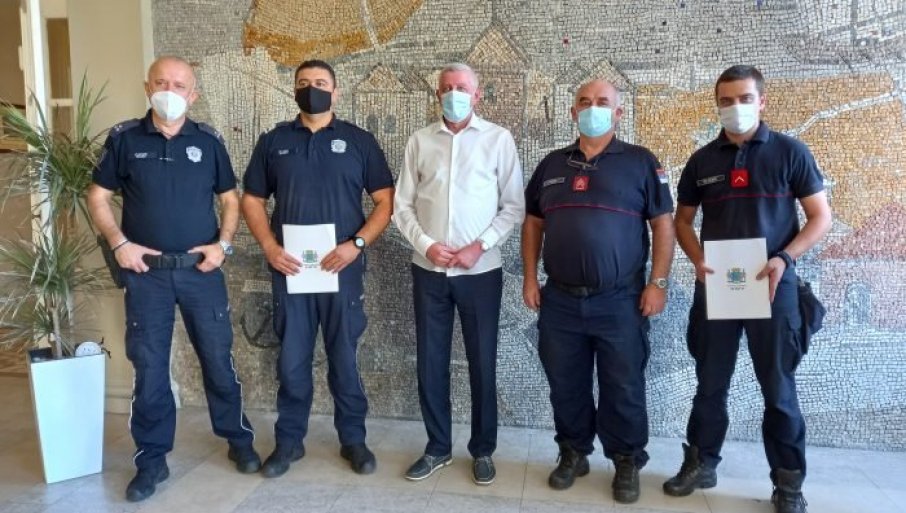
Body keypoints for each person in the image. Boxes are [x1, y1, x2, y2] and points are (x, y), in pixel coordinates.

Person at [87, 56, 259, 502]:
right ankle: (151, 460)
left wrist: (223, 246)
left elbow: (231, 200)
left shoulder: (209, 141)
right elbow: (98, 196)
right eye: (161, 82)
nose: (170, 91)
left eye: (179, 85)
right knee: (149, 368)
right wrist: (119, 244)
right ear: (147, 87)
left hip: (201, 273)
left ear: (193, 94)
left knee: (218, 360)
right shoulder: (125, 139)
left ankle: (238, 440)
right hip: (147, 276)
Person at [663, 65, 831, 513]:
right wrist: (697, 259)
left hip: (774, 287)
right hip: (718, 286)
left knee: (778, 390)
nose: (734, 107)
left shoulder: (791, 152)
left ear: (762, 101)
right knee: (709, 384)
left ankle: (788, 483)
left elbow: (820, 217)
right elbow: (682, 221)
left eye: (744, 98)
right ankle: (701, 463)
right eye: (726, 100)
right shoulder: (702, 161)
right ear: (716, 105)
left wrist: (784, 258)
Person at [521, 79, 675, 504]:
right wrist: (530, 278)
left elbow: (662, 224)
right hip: (559, 300)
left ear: (618, 113)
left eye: (603, 102)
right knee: (565, 383)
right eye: (585, 102)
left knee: (623, 385)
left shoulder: (641, 162)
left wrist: (658, 283)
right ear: (573, 112)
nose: (593, 108)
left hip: (620, 300)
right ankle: (574, 452)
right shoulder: (552, 164)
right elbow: (533, 223)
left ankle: (626, 460)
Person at [241, 59, 394, 479]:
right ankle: (289, 442)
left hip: (342, 271)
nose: (313, 88)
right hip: (290, 270)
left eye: (321, 82)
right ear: (293, 90)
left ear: (336, 91)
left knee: (344, 357)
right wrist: (269, 247)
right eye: (304, 82)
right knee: (292, 360)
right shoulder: (273, 141)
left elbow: (386, 200)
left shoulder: (359, 141)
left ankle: (354, 440)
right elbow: (252, 200)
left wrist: (356, 245)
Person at [394, 62, 524, 486]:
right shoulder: (420, 141)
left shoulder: (498, 139)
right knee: (431, 362)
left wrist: (479, 246)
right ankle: (437, 447)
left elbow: (513, 207)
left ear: (478, 94)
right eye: (447, 87)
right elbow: (402, 206)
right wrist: (426, 244)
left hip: (480, 271)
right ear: (437, 94)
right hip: (428, 270)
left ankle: (483, 449)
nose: (454, 94)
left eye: (462, 87)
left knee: (482, 362)